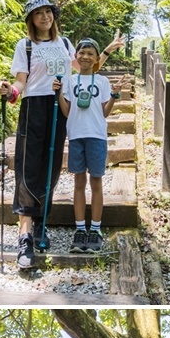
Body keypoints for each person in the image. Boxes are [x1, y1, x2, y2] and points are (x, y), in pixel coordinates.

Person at [0, 0, 74, 270]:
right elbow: (21, 81)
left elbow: (81, 69)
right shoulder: (26, 45)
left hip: (60, 107)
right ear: (31, 19)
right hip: (34, 107)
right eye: (38, 13)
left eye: (48, 11)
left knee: (51, 167)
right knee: (28, 167)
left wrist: (107, 52)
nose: (45, 16)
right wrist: (10, 91)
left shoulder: (66, 44)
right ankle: (25, 235)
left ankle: (41, 222)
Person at [54, 38, 118, 253]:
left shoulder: (102, 81)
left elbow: (105, 112)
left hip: (97, 135)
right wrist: (58, 93)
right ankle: (80, 229)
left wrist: (114, 96)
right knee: (79, 182)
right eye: (82, 53)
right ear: (76, 56)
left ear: (97, 58)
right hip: (76, 135)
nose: (85, 57)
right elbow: (66, 111)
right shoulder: (70, 81)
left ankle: (96, 230)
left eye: (91, 54)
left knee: (96, 181)